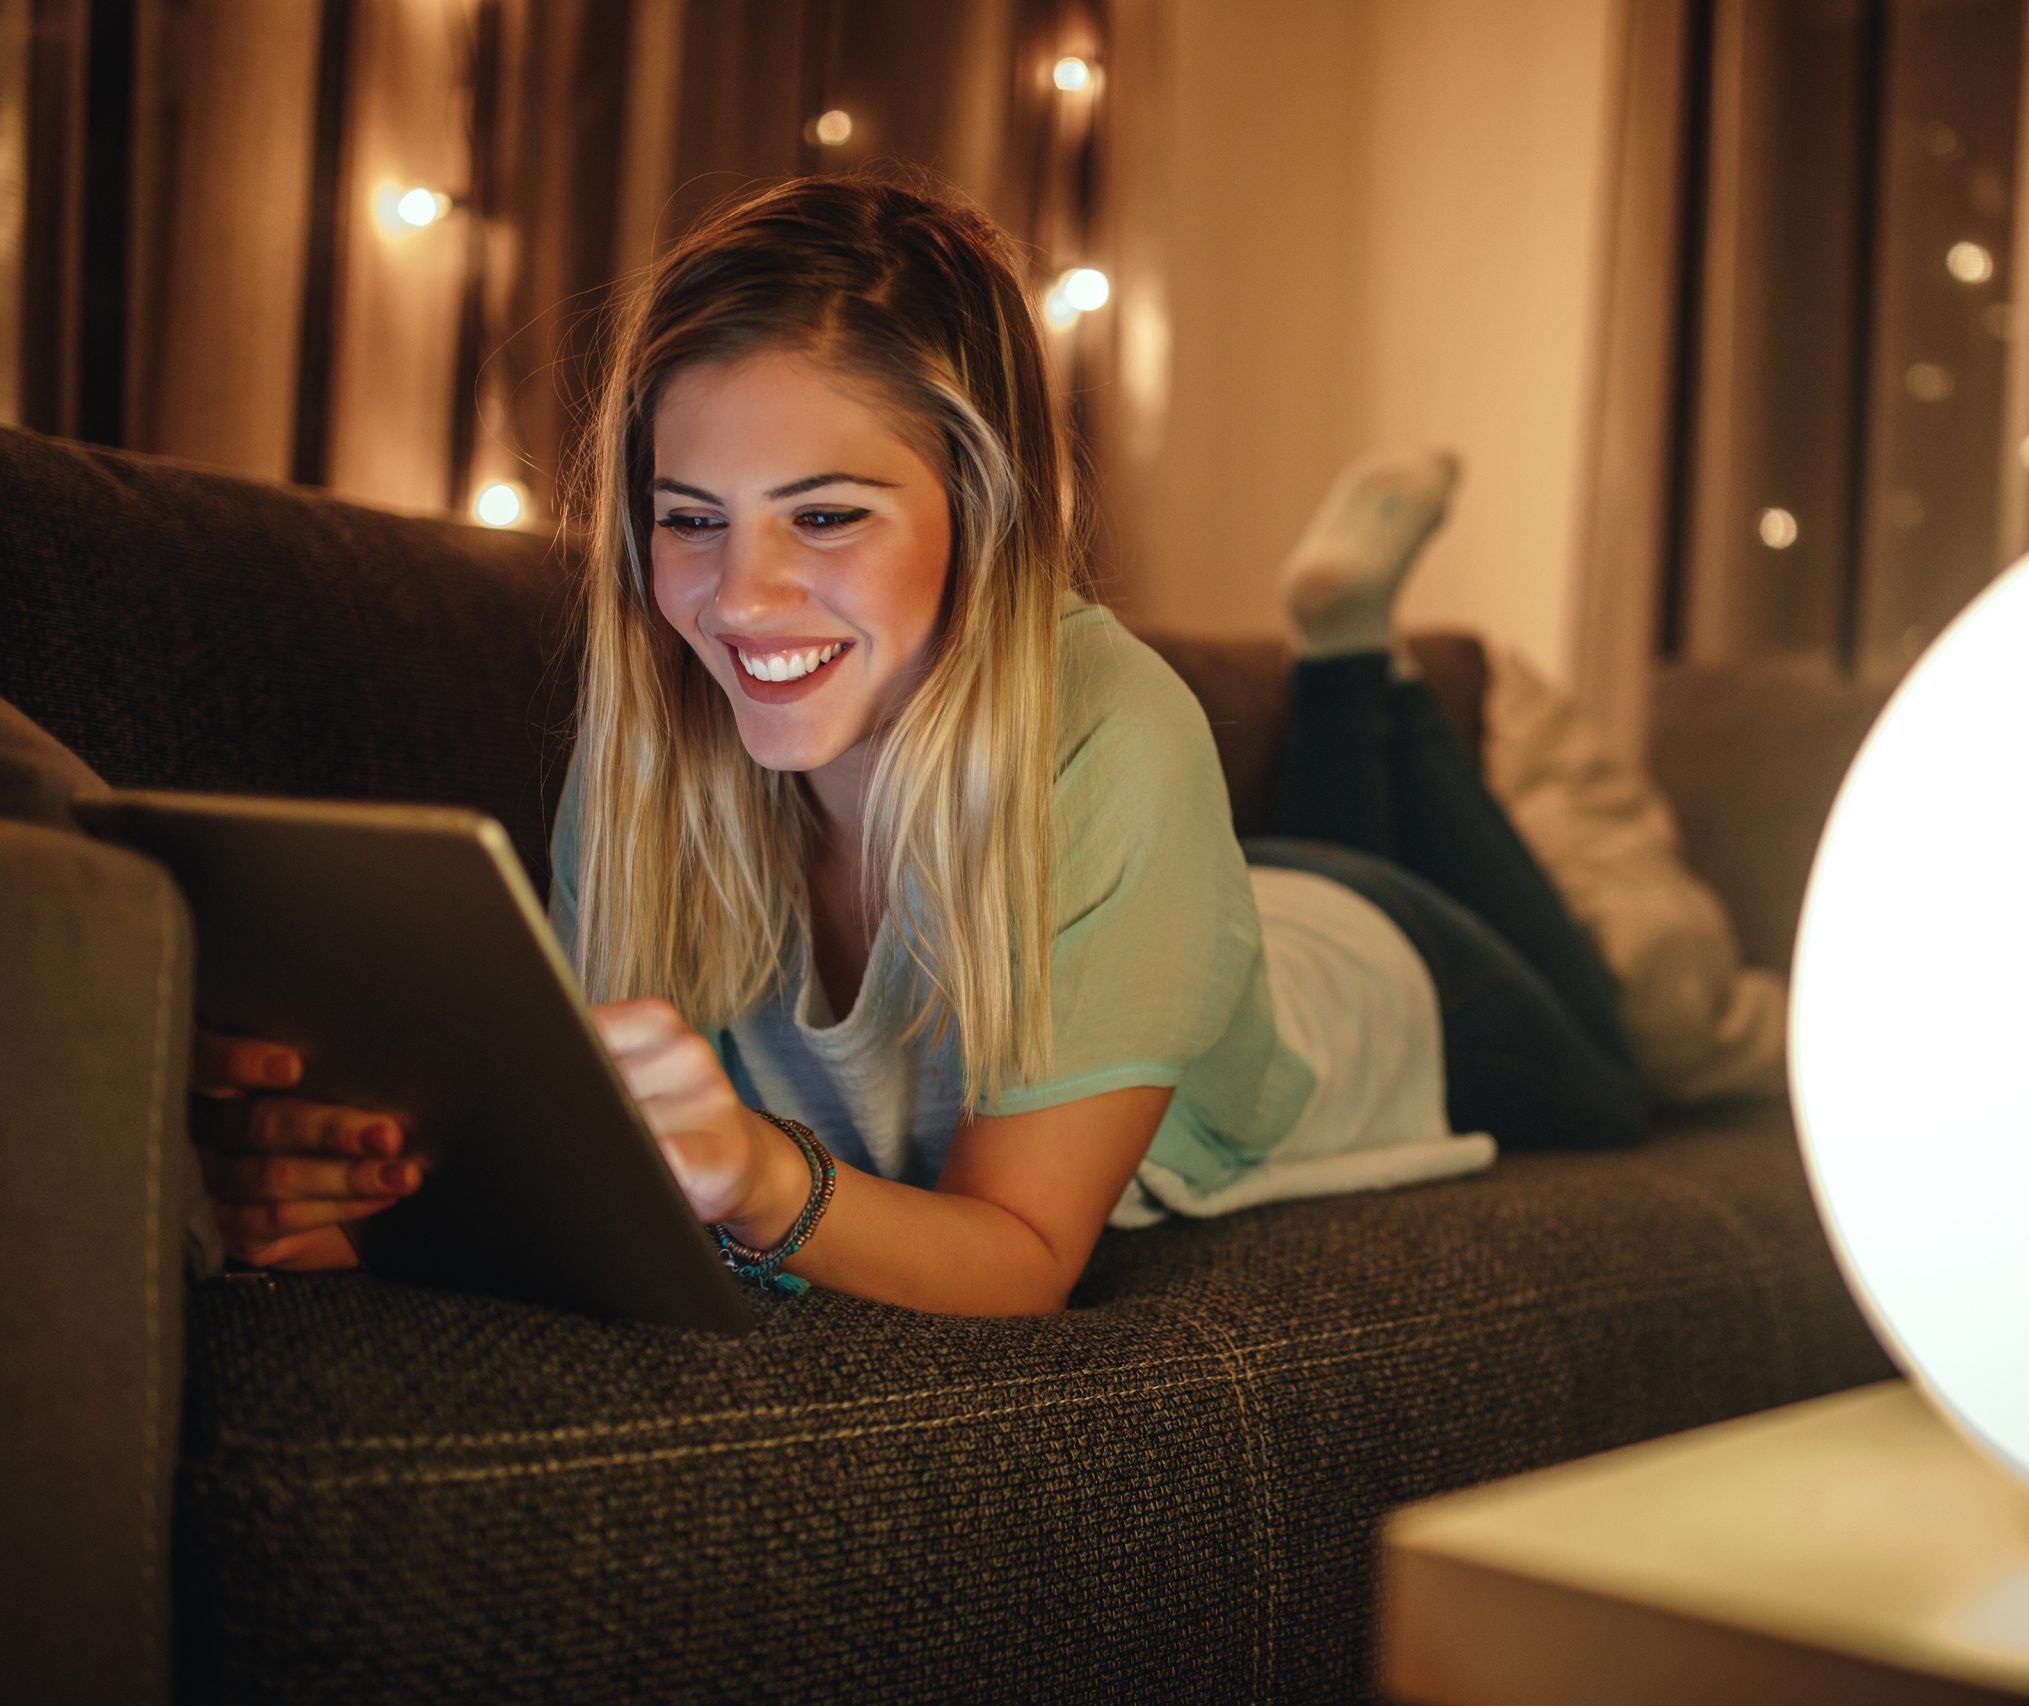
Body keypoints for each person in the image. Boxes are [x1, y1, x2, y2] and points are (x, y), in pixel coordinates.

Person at [187, 173, 1645, 1315]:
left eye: (825, 514)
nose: (738, 595)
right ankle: (1347, 655)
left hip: (1381, 965)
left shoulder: (1120, 726)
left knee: (1632, 1074)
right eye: (690, 516)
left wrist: (759, 1173)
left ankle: (1348, 663)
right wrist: (364, 1205)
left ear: (983, 508)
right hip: (1176, 910)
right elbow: (604, 1169)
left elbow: (1019, 1254)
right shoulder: (650, 751)